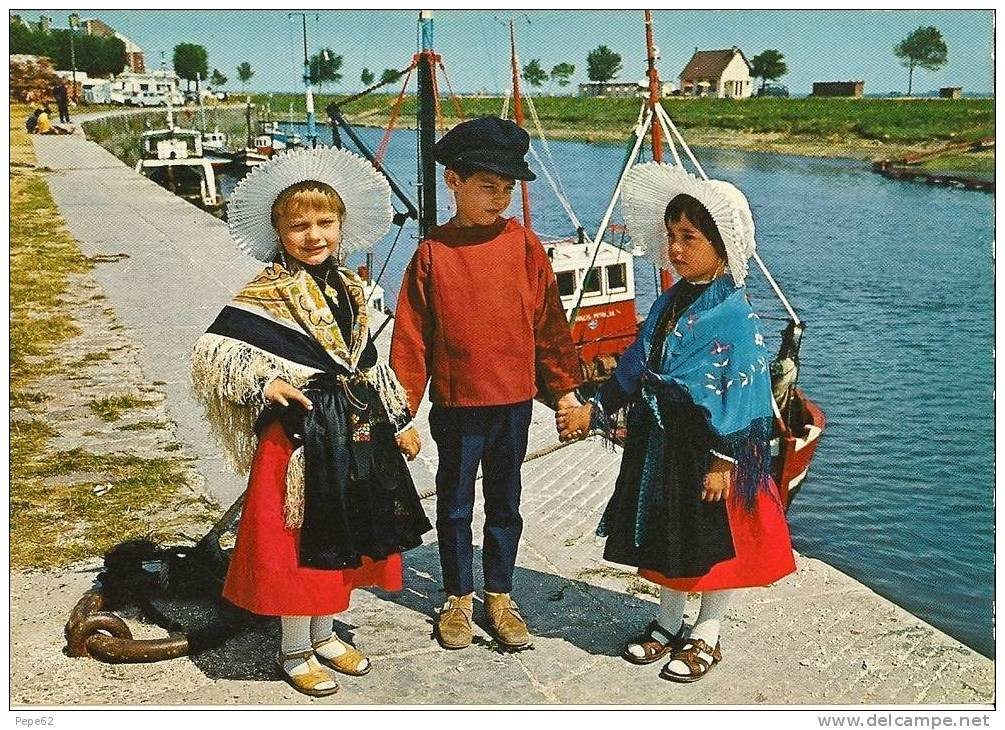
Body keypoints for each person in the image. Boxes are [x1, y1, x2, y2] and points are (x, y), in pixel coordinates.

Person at [191, 147, 432, 697]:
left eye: (326, 223)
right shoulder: (267, 290)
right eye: (299, 225)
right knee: (300, 542)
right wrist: (263, 384)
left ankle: (324, 633)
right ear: (278, 230)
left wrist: (398, 421)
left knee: (345, 535)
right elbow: (215, 350)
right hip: (299, 437)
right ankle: (293, 646)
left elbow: (368, 363)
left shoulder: (350, 288)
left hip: (353, 431)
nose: (314, 235)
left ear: (343, 226)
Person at [557, 163, 796, 682]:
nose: (676, 249)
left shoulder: (734, 314)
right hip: (663, 444)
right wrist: (594, 409)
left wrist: (724, 460)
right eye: (671, 237)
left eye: (689, 238)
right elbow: (636, 363)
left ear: (722, 245)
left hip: (709, 450)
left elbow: (746, 391)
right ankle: (667, 622)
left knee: (714, 538)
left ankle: (708, 629)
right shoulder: (669, 301)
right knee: (670, 531)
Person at [390, 116, 583, 651]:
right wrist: (402, 413)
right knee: (453, 503)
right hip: (456, 405)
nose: (498, 200)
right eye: (485, 187)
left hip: (514, 404)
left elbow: (550, 326)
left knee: (506, 500)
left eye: (506, 189)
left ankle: (499, 593)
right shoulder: (432, 253)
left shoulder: (525, 247)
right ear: (452, 180)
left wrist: (566, 391)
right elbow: (411, 340)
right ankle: (456, 595)